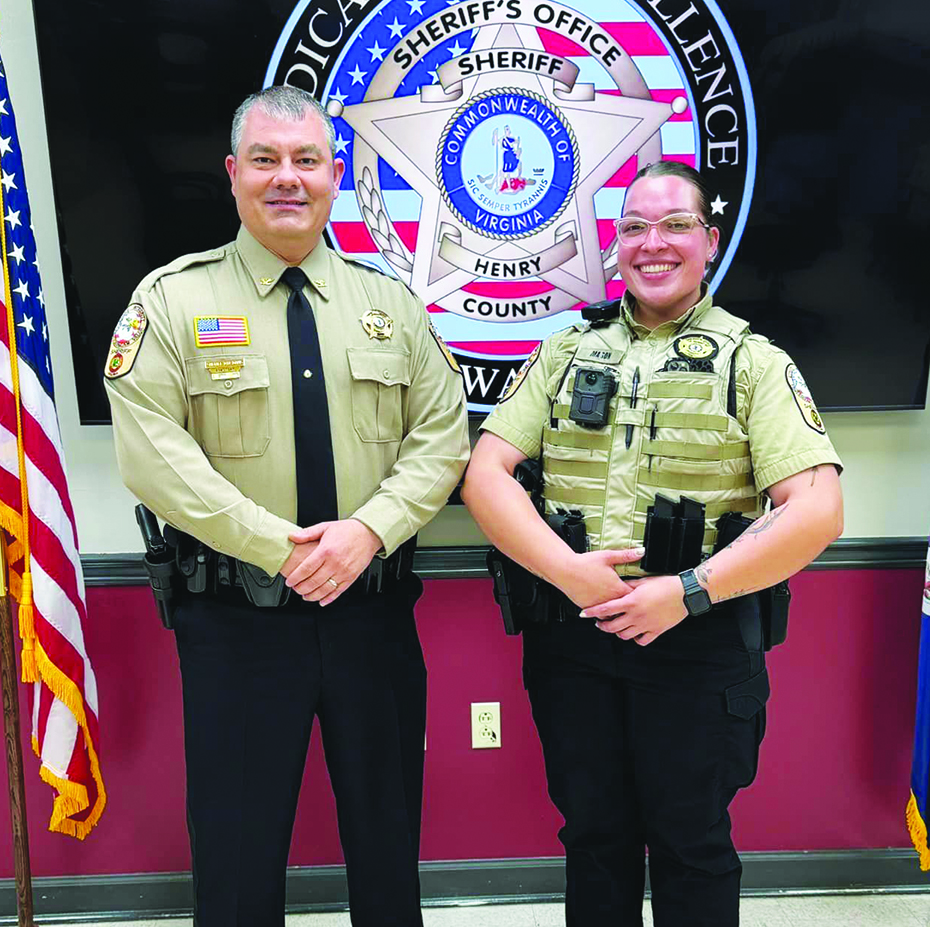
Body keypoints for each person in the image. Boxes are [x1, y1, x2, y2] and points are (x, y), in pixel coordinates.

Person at [104, 86, 469, 927]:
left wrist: (367, 533)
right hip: (236, 623)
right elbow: (155, 456)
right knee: (235, 863)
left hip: (372, 619)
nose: (286, 179)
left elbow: (443, 436)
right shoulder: (172, 303)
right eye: (265, 160)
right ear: (233, 175)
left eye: (306, 160)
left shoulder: (393, 306)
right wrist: (283, 547)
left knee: (388, 854)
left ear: (336, 175)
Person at [462, 161, 843, 927]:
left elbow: (817, 508)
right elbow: (485, 473)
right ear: (616, 246)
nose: (652, 243)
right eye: (634, 226)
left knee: (692, 843)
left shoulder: (754, 363)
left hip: (696, 645)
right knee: (593, 838)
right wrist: (565, 571)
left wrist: (688, 590)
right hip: (574, 638)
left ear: (708, 240)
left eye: (674, 225)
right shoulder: (565, 352)